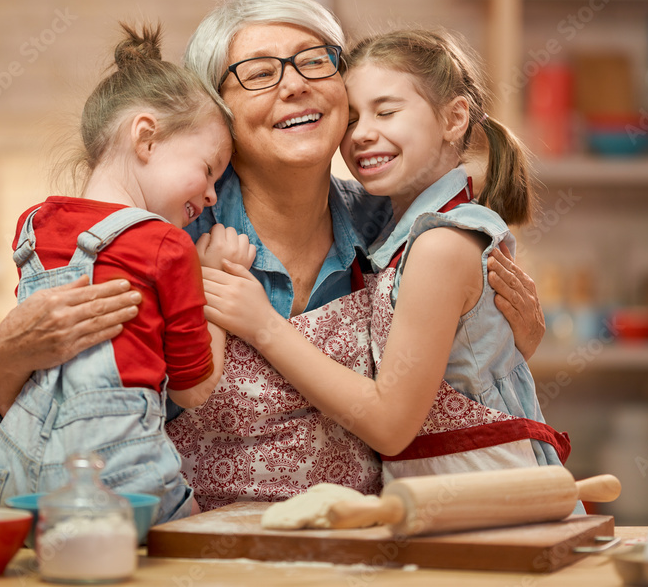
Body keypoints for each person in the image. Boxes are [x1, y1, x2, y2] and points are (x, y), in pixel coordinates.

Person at [0, 0, 548, 511]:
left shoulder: (392, 220)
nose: (293, 84)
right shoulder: (169, 229)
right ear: (218, 112)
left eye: (314, 60)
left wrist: (506, 338)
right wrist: (6, 358)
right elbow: (61, 401)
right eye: (259, 72)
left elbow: (451, 374)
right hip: (194, 550)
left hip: (357, 547)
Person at [202, 28, 570, 482]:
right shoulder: (397, 233)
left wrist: (263, 325)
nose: (362, 135)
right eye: (352, 119)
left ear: (454, 120)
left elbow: (391, 426)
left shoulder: (439, 244)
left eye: (387, 112)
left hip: (486, 490)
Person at [0, 23, 255, 523]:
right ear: (146, 137)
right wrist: (212, 281)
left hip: (16, 479)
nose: (209, 195)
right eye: (208, 170)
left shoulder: (33, 225)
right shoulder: (168, 247)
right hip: (117, 478)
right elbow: (192, 389)